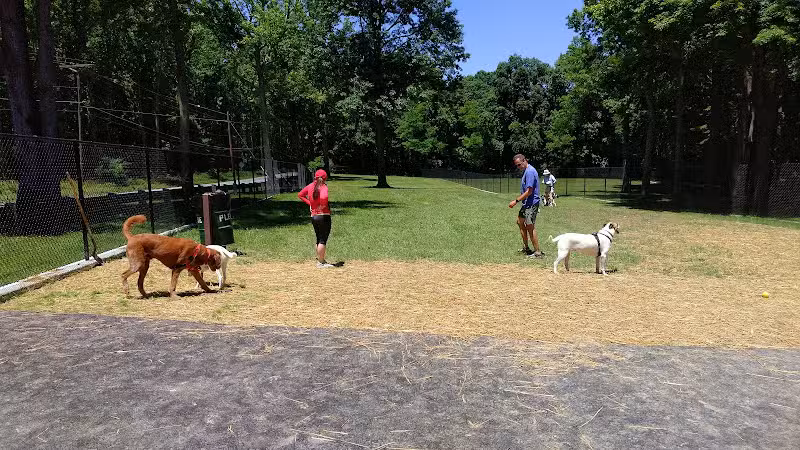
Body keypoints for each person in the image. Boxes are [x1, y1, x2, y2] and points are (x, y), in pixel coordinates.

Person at [508, 154, 544, 258]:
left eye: (519, 165)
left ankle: (537, 252)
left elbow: (529, 191)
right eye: (517, 165)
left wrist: (516, 201)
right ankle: (526, 248)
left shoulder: (530, 172)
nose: (518, 167)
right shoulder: (527, 171)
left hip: (531, 203)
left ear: (524, 161)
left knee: (530, 226)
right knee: (520, 221)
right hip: (527, 203)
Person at [298, 169, 334, 268]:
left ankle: (320, 259)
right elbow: (324, 198)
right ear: (325, 178)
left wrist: (310, 204)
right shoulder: (323, 187)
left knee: (318, 238)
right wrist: (322, 206)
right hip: (324, 216)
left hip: (314, 216)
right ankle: (321, 262)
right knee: (323, 239)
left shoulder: (310, 186)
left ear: (315, 177)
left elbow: (300, 195)